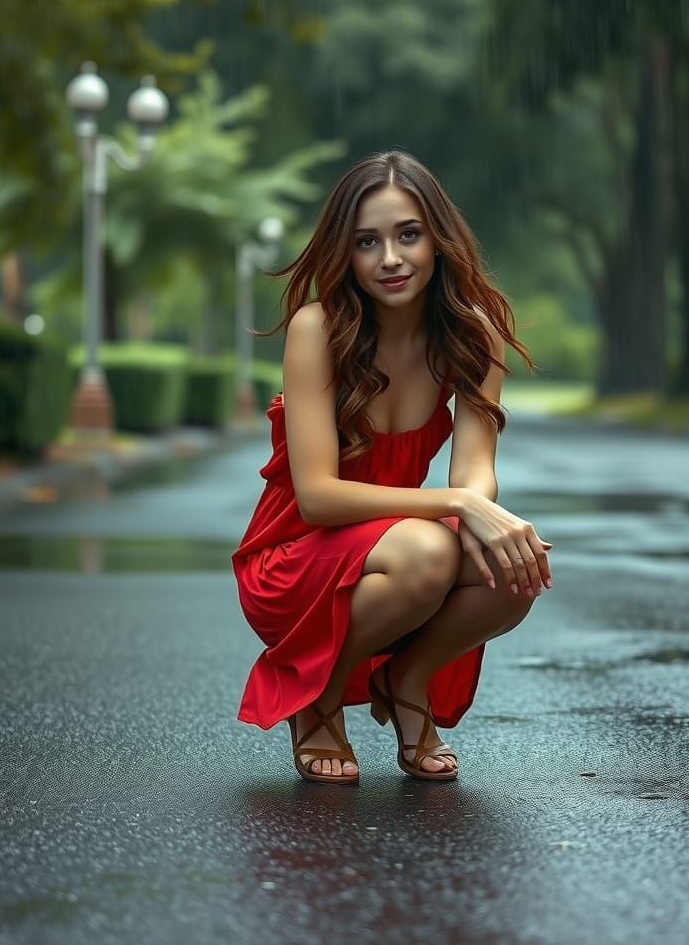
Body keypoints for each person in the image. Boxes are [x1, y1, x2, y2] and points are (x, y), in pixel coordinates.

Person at [231, 150, 552, 785]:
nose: (391, 259)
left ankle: (407, 678)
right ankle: (315, 697)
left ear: (438, 238)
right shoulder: (316, 329)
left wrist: (484, 512)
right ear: (343, 254)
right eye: (367, 242)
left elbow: (475, 466)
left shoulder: (471, 335)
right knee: (432, 551)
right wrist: (461, 508)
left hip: (398, 546)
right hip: (295, 558)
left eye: (408, 235)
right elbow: (318, 497)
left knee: (515, 569)